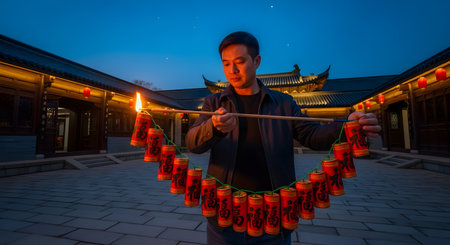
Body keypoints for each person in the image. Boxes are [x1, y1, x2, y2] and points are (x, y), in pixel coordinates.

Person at [185, 31, 381, 245]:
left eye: (240, 62)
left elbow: (312, 135)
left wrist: (346, 124)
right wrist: (213, 126)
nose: (232, 70)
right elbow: (192, 143)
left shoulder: (283, 103)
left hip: (275, 214)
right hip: (225, 215)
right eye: (226, 64)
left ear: (257, 61)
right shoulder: (214, 103)